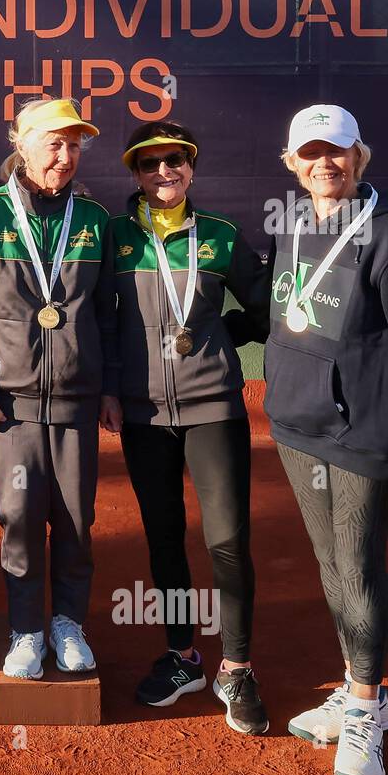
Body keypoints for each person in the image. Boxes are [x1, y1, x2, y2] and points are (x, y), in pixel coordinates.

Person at [268, 104, 388, 775]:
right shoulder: (290, 226)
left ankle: (368, 711)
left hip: (364, 434)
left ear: (359, 157)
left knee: (359, 567)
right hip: (295, 428)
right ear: (292, 164)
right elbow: (287, 314)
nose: (324, 164)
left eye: (337, 152)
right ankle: (353, 684)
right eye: (310, 153)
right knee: (329, 564)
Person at [108, 120, 272, 733]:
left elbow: (265, 308)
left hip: (213, 407)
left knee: (226, 541)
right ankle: (183, 656)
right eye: (150, 164)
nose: (163, 173)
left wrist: (221, 339)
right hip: (144, 412)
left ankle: (238, 667)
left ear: (191, 167)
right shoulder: (117, 237)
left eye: (174, 161)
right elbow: (101, 318)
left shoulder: (223, 237)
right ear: (136, 173)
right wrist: (112, 389)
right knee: (164, 537)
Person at [0, 98, 121, 680]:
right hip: (12, 400)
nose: (65, 155)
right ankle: (27, 629)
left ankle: (68, 624)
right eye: (53, 143)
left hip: (77, 397)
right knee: (20, 514)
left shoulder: (95, 219)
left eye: (74, 144)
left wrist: (109, 390)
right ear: (21, 145)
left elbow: (107, 313)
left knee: (76, 517)